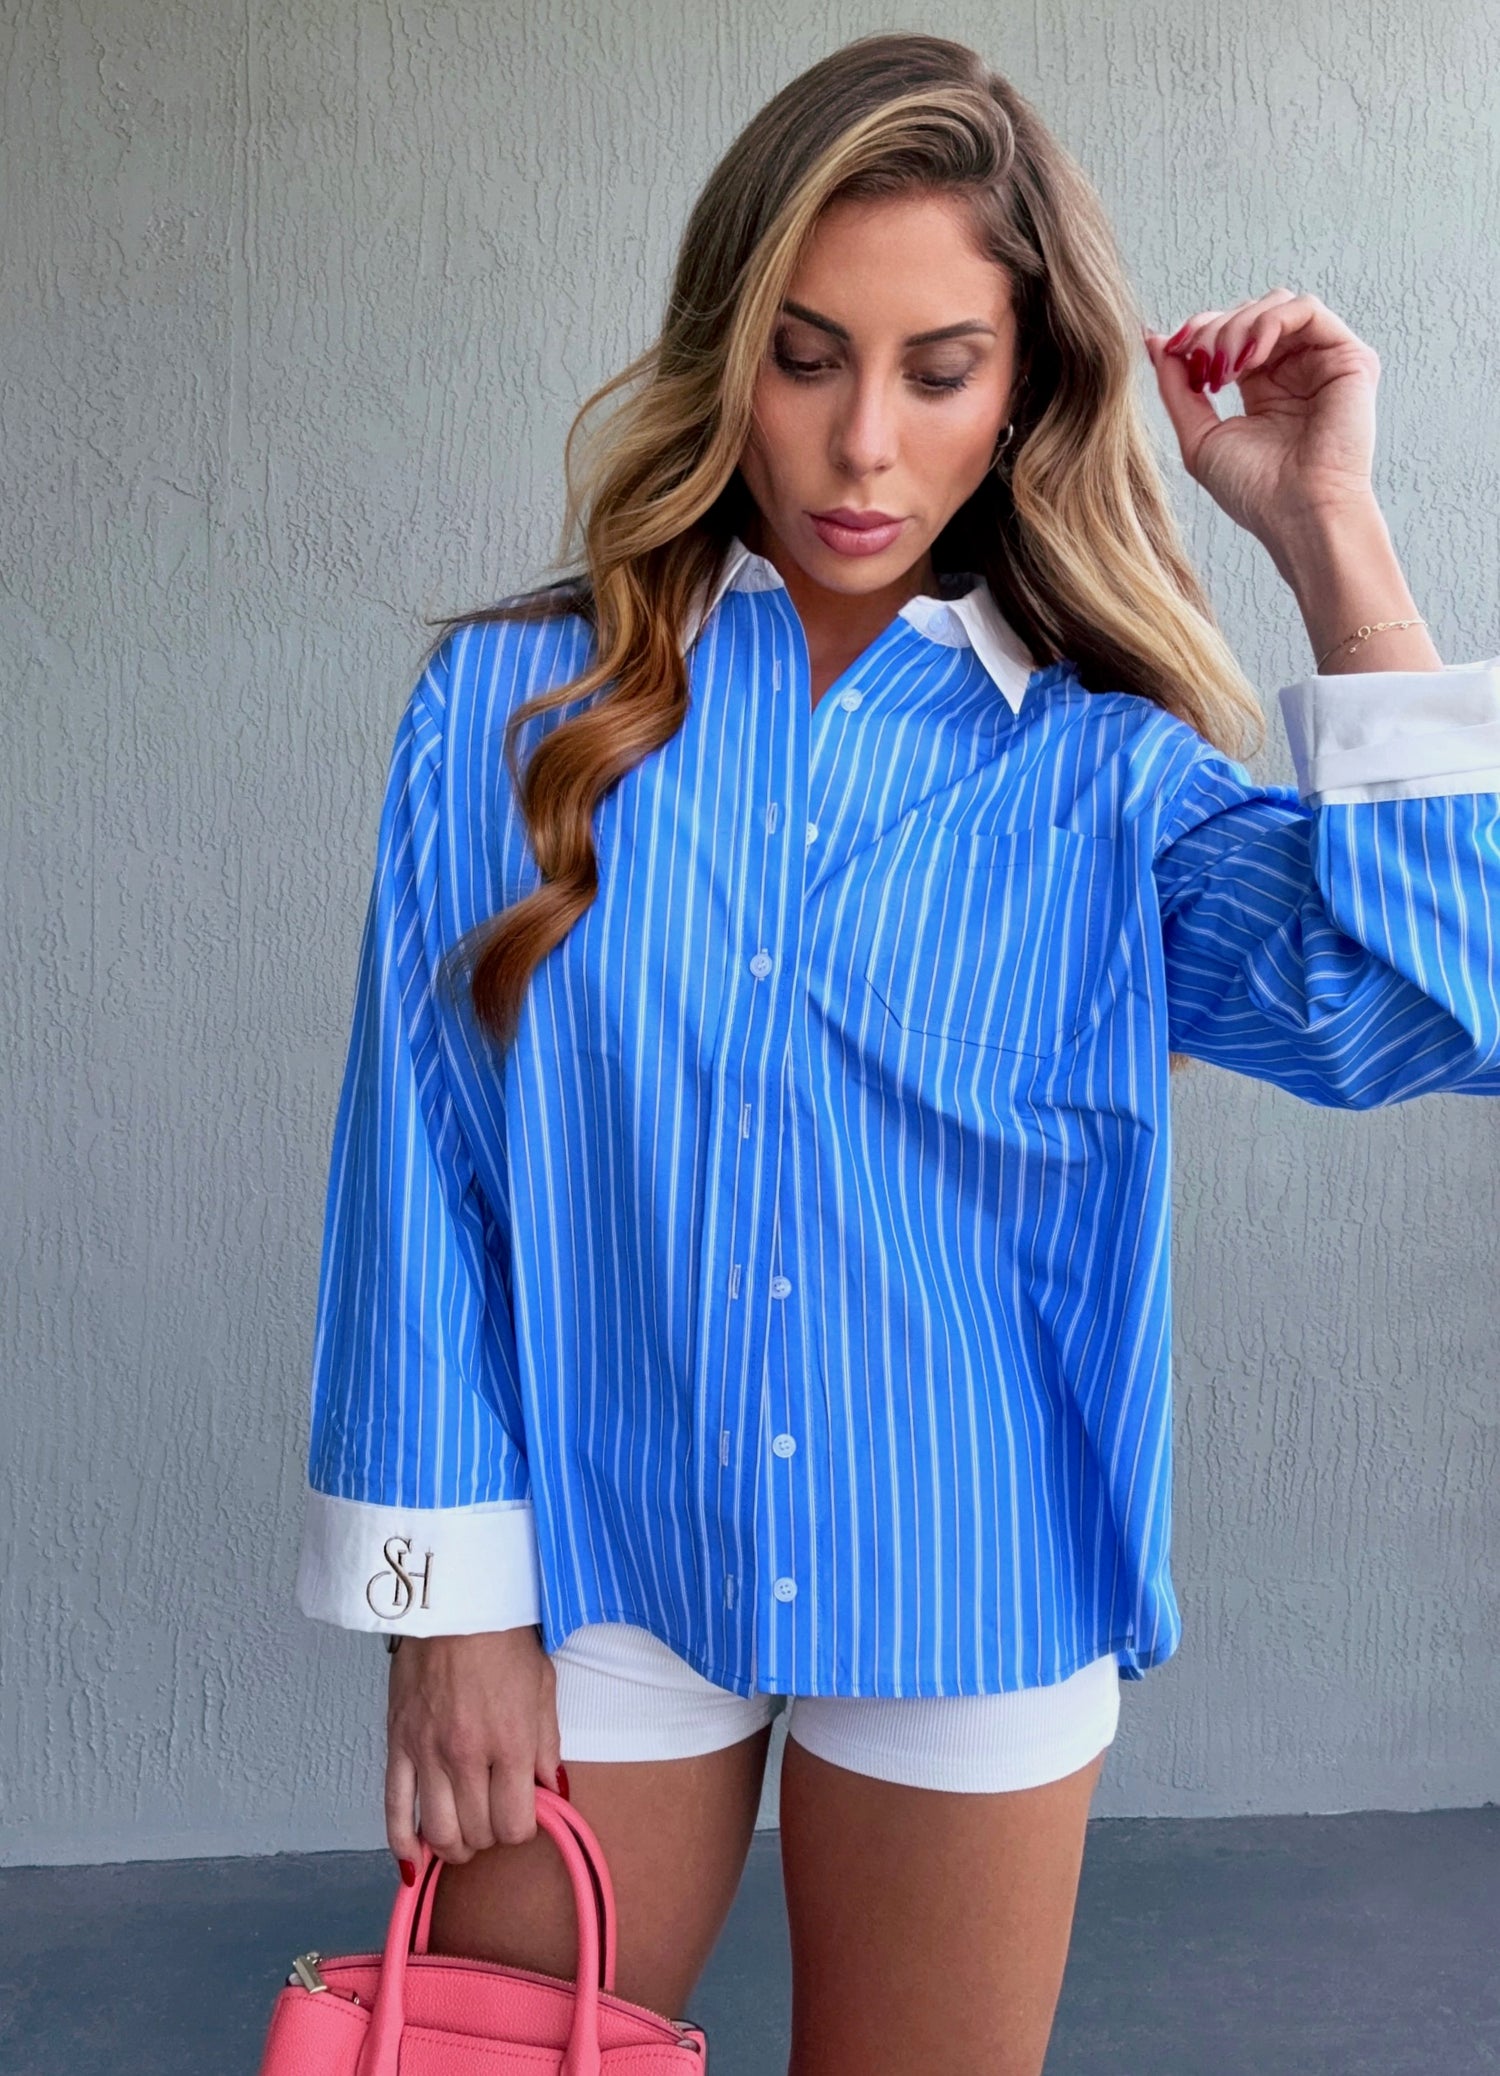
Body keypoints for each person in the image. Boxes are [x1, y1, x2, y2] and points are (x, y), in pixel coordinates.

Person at [292, 32, 1500, 2076]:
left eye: (938, 368)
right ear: (722, 353)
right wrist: (442, 1608)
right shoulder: (515, 714)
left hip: (976, 1572)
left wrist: (1331, 538)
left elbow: (1437, 1016)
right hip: (599, 1565)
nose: (862, 443)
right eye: (805, 355)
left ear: (1020, 387)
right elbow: (424, 1164)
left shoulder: (1112, 785)